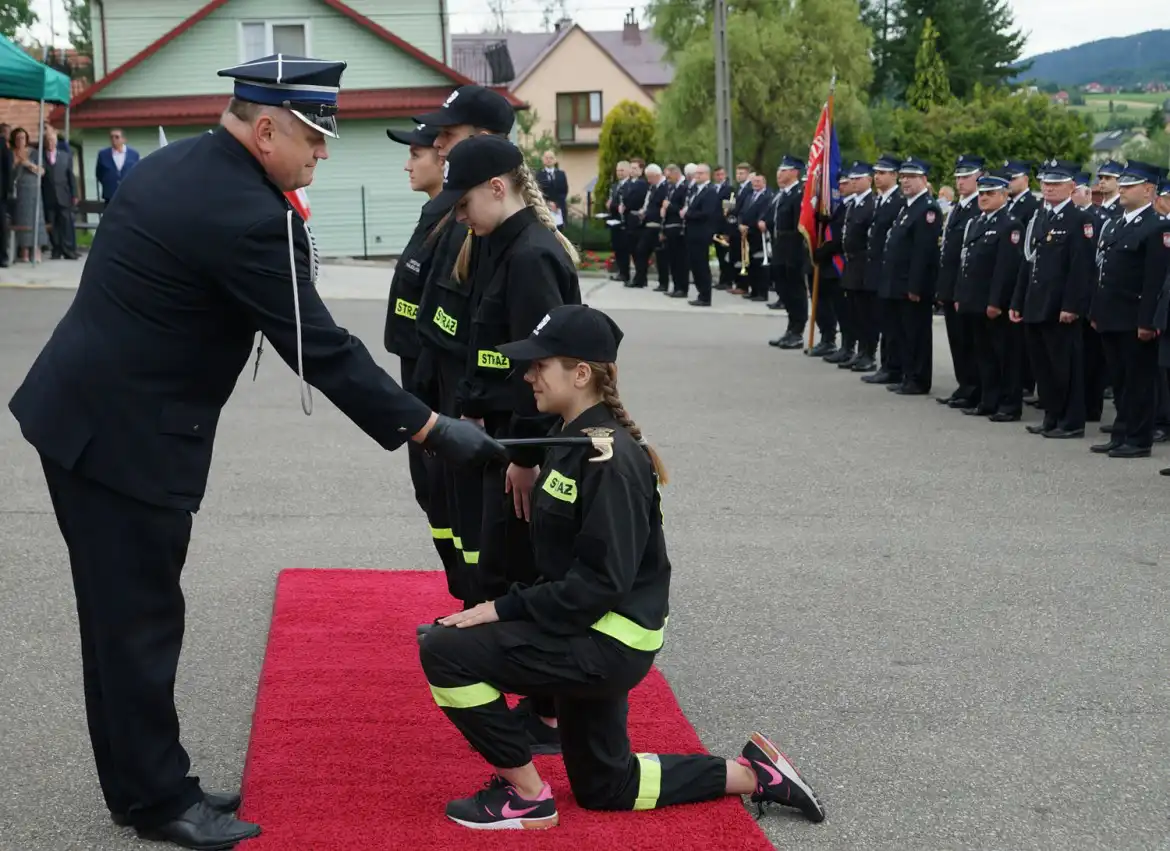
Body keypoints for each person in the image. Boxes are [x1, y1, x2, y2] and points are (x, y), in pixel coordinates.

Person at [7, 55, 504, 851]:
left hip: (84, 417)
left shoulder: (180, 164)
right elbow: (326, 351)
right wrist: (433, 429)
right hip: (123, 441)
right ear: (265, 128)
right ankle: (160, 799)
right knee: (137, 620)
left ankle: (138, 783)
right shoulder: (247, 212)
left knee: (116, 616)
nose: (324, 151)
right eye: (313, 135)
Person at [418, 304, 827, 830]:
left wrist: (503, 608)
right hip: (588, 625)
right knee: (607, 787)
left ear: (581, 374)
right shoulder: (572, 440)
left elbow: (600, 584)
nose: (527, 375)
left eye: (540, 365)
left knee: (445, 651)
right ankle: (753, 775)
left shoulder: (609, 460)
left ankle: (524, 796)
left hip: (608, 639)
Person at [408, 83, 517, 603]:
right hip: (449, 390)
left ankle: (481, 614)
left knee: (483, 530)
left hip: (479, 404)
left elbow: (513, 340)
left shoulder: (513, 236)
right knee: (449, 513)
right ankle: (470, 603)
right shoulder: (463, 218)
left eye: (450, 134)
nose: (439, 144)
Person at [384, 121, 446, 534]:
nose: (408, 165)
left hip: (432, 379)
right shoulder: (433, 216)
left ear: (444, 161)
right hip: (416, 373)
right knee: (430, 492)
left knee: (441, 492)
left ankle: (471, 591)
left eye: (416, 155)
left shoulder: (453, 224)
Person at [1088, 160, 1170, 458]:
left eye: (1130, 184)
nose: (1121, 188)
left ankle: (1138, 438)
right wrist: (1096, 311)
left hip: (1135, 317)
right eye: (1122, 183)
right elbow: (1103, 272)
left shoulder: (1157, 227)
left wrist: (1148, 321)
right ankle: (1121, 432)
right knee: (1120, 379)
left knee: (1139, 381)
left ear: (1149, 190)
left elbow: (1154, 280)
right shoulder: (1117, 223)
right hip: (1111, 315)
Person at [1010, 159, 1096, 439]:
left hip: (1060, 306)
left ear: (1071, 187)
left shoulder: (1079, 219)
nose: (1049, 187)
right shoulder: (1042, 217)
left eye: (1057, 183)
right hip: (1037, 303)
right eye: (1046, 182)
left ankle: (1071, 421)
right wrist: (1018, 300)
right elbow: (1029, 262)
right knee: (1043, 366)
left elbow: (1080, 268)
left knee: (1065, 366)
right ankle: (1052, 416)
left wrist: (1072, 306)